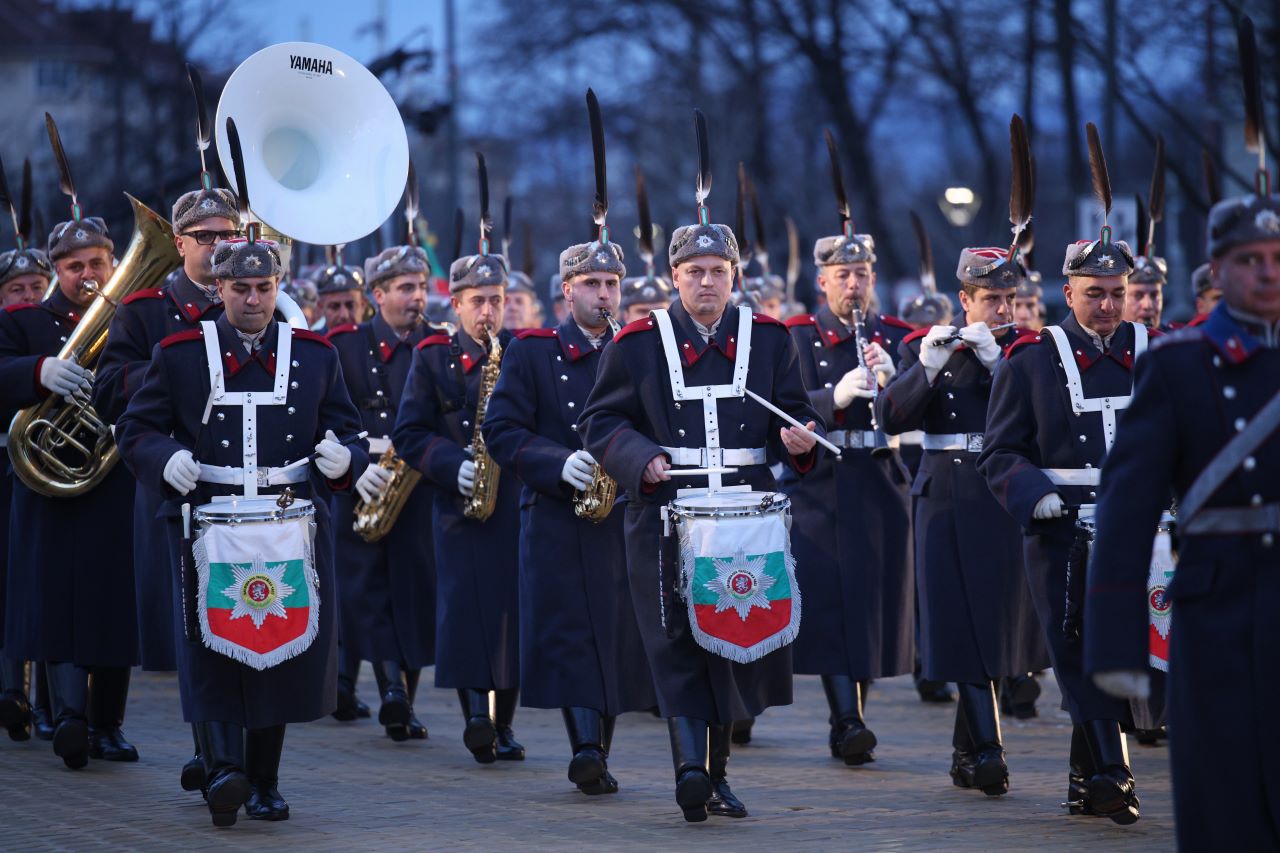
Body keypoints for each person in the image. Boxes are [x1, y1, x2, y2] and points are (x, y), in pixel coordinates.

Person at [115, 235, 365, 826]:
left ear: (277, 287)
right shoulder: (178, 352)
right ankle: (225, 770)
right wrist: (161, 458)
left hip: (289, 523)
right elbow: (137, 428)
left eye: (264, 287)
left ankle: (265, 781)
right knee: (214, 647)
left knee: (276, 647)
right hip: (209, 523)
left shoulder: (314, 354)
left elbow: (347, 429)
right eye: (240, 288)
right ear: (219, 288)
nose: (254, 300)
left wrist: (346, 459)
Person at [581, 207, 821, 823]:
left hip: (746, 515)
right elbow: (601, 423)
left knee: (731, 639)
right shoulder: (636, 342)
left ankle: (717, 776)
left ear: (735, 276)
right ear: (674, 276)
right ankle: (690, 769)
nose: (706, 282)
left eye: (718, 270)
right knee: (675, 643)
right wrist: (641, 458)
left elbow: (790, 418)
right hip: (666, 515)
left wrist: (799, 441)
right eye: (694, 271)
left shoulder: (769, 338)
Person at [1085, 189, 1280, 848]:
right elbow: (1126, 508)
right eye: (1250, 258)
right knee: (1224, 799)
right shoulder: (1176, 364)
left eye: (1279, 257)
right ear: (1217, 270)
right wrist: (1116, 648)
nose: (1268, 272)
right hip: (1217, 608)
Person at [978, 227, 1148, 825]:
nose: (1107, 306)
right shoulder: (1029, 360)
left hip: (1141, 532)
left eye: (1117, 292)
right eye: (1094, 292)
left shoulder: (1156, 352)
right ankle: (1113, 773)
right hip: (1061, 532)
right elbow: (999, 453)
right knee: (1077, 651)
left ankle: (1086, 781)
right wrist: (1035, 493)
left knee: (1128, 648)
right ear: (1067, 292)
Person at [484, 232, 655, 796]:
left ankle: (597, 750)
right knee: (570, 633)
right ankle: (585, 746)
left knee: (613, 634)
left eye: (611, 284)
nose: (603, 295)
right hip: (557, 514)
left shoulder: (637, 348)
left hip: (623, 514)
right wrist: (557, 463)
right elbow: (501, 430)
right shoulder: (532, 350)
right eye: (591, 284)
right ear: (566, 291)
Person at [879, 246, 1047, 796]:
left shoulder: (1029, 353)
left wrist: (1000, 364)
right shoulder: (923, 345)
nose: (1003, 311)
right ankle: (991, 749)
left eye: (1009, 299)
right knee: (957, 621)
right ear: (964, 300)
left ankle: (965, 753)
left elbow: (1042, 421)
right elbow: (890, 418)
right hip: (946, 495)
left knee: (995, 622)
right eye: (990, 300)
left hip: (1002, 495)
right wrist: (927, 367)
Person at [93, 185, 240, 791]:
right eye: (204, 237)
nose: (217, 246)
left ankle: (221, 754)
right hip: (175, 486)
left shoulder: (253, 302)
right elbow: (106, 389)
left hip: (239, 488)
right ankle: (214, 752)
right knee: (193, 627)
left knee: (238, 619)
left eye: (227, 235)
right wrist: (169, 369)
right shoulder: (144, 309)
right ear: (178, 242)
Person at [0, 207, 140, 769]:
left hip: (111, 482)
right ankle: (67, 718)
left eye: (99, 263)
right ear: (58, 270)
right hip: (48, 486)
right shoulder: (25, 323)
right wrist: (38, 371)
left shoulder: (132, 318)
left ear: (114, 263)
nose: (89, 275)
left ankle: (108, 724)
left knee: (112, 605)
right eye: (75, 265)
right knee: (56, 600)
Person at [784, 230, 915, 766]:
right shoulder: (796, 336)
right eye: (843, 276)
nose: (854, 285)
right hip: (822, 483)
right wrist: (831, 398)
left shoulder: (898, 336)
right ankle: (846, 720)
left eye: (862, 275)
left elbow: (923, 410)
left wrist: (897, 381)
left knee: (872, 605)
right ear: (823, 282)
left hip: (881, 480)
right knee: (833, 604)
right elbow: (780, 405)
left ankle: (856, 710)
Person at [392, 239, 524, 764]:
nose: (488, 311)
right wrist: (453, 465)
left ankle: (505, 724)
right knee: (465, 612)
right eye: (478, 301)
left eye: (496, 299)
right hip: (458, 504)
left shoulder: (522, 352)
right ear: (458, 303)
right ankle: (476, 718)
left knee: (511, 615)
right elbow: (409, 432)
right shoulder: (432, 357)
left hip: (512, 500)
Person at [327, 244, 437, 741]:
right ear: (378, 294)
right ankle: (392, 689)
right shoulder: (342, 345)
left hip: (419, 486)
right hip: (359, 485)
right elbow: (326, 417)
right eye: (406, 288)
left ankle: (404, 699)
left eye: (422, 287)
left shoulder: (439, 346)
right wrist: (351, 465)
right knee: (367, 591)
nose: (419, 297)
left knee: (413, 591)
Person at [0, 230, 53, 742]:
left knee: (38, 579)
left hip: (47, 464)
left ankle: (43, 703)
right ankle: (9, 692)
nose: (30, 296)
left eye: (38, 285)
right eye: (18, 289)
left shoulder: (54, 328)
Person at [313, 259, 368, 333]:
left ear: (363, 305)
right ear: (320, 307)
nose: (344, 315)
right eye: (334, 307)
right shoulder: (313, 343)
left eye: (350, 305)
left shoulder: (376, 340)